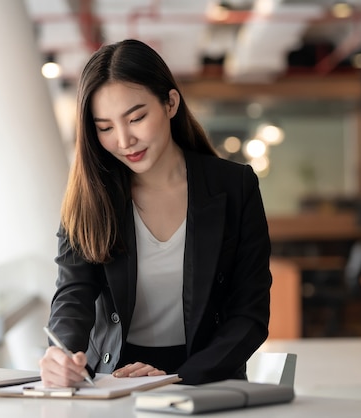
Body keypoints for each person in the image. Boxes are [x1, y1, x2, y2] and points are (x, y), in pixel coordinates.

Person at [39, 39, 271, 387]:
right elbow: (73, 294)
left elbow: (249, 314)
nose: (123, 139)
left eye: (136, 118)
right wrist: (62, 356)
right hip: (116, 377)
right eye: (104, 128)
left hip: (206, 377)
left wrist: (180, 378)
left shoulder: (234, 187)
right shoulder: (90, 196)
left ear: (170, 103)